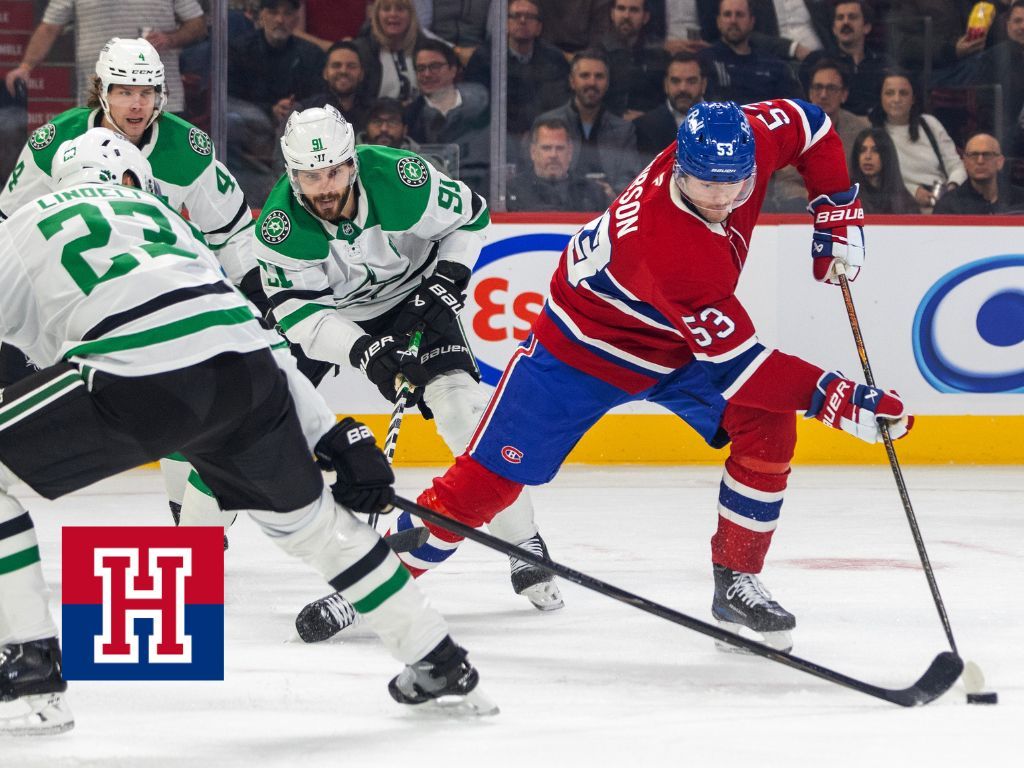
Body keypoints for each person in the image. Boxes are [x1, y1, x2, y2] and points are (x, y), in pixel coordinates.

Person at [0, 128, 495, 735]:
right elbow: (251, 326)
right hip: (246, 377)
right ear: (133, 179)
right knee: (316, 528)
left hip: (139, 380)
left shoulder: (26, 221)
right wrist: (331, 434)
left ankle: (29, 660)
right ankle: (439, 660)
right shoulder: (167, 224)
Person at [404, 100, 914, 654]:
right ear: (678, 168)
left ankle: (736, 581)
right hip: (583, 348)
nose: (721, 201)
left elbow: (812, 126)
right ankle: (380, 575)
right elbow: (743, 370)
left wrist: (835, 205)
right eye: (704, 186)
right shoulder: (668, 245)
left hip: (675, 342)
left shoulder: (745, 140)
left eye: (735, 187)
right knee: (489, 481)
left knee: (767, 426)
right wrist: (834, 398)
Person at [253, 105, 564, 641]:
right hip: (339, 317)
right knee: (261, 417)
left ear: (351, 163)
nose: (322, 188)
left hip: (422, 298)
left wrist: (447, 282)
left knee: (464, 413)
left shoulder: (399, 177)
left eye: (331, 173)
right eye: (308, 176)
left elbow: (472, 217)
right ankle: (204, 531)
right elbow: (301, 316)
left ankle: (523, 542)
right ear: (291, 174)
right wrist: (367, 353)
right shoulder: (279, 227)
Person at [0, 38, 272, 534]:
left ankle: (189, 528)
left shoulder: (187, 150)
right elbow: (8, 222)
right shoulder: (54, 143)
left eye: (147, 91)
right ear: (101, 91)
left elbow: (232, 231)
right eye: (125, 91)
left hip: (161, 292)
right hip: (71, 298)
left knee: (183, 409)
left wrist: (254, 295)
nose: (137, 104)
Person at [4, 0, 206, 114]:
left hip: (159, 101)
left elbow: (197, 24)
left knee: (162, 177)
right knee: (103, 177)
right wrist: (26, 66)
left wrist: (171, 39)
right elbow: (50, 27)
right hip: (100, 100)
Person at [535, 49, 641, 201]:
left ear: (608, 82)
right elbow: (535, 175)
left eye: (599, 76)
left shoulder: (623, 130)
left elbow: (631, 178)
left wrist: (613, 194)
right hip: (558, 210)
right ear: (572, 81)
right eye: (585, 76)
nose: (592, 82)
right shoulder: (546, 126)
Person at [766, 59, 869, 211]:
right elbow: (785, 183)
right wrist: (820, 201)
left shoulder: (861, 130)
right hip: (800, 208)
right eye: (817, 87)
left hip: (850, 207)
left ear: (844, 94)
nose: (823, 95)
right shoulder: (792, 128)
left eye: (831, 88)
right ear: (809, 93)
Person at [463, 0, 572, 140]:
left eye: (529, 17)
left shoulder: (554, 59)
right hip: (495, 136)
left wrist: (537, 131)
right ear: (505, 23)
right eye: (516, 16)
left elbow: (559, 104)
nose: (522, 21)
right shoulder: (484, 58)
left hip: (543, 135)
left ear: (539, 27)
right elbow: (478, 104)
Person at [868, 70, 967, 210]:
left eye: (903, 93)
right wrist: (912, 192)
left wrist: (951, 189)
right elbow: (874, 179)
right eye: (889, 93)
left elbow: (956, 166)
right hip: (896, 209)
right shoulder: (872, 132)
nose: (896, 99)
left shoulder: (929, 124)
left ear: (913, 98)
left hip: (942, 204)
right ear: (880, 98)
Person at [404, 39, 490, 195]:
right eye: (421, 68)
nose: (427, 74)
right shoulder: (410, 118)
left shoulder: (486, 109)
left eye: (435, 66)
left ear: (454, 70)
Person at [699, 0, 802, 104]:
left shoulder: (774, 65)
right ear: (718, 21)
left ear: (752, 21)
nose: (733, 20)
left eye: (740, 15)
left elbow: (793, 107)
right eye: (727, 14)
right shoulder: (704, 60)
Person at [801, 1, 890, 116]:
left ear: (866, 27)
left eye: (852, 17)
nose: (845, 22)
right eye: (840, 18)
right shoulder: (815, 61)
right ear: (834, 29)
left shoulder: (883, 64)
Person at [508, 118, 610, 211]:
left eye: (560, 148)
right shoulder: (511, 192)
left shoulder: (593, 193)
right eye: (546, 148)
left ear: (570, 152)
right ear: (533, 152)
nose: (553, 155)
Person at [600, 0, 672, 119]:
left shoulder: (660, 55)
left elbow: (667, 99)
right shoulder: (598, 54)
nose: (626, 16)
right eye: (621, 9)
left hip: (652, 125)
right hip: (608, 126)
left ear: (645, 17)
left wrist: (648, 117)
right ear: (612, 14)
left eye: (634, 10)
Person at [353, 0, 432, 104]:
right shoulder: (360, 50)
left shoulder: (426, 47)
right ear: (377, 15)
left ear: (411, 15)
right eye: (386, 9)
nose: (393, 14)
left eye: (400, 9)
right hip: (375, 117)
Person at [634, 51, 707, 161]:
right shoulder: (644, 126)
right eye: (675, 81)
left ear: (703, 85)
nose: (683, 88)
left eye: (691, 81)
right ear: (666, 85)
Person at [934, 132, 1024, 213]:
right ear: (965, 162)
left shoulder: (1021, 199)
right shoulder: (948, 206)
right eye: (973, 155)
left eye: (987, 155)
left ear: (1000, 162)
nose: (980, 161)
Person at [300, 40, 373, 135]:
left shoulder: (374, 114)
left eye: (351, 66)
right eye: (336, 66)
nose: (343, 71)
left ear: (361, 74)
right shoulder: (304, 111)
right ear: (325, 73)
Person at [849, 127, 922, 214]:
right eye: (862, 150)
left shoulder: (905, 202)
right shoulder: (847, 195)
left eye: (875, 150)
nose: (867, 156)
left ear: (886, 156)